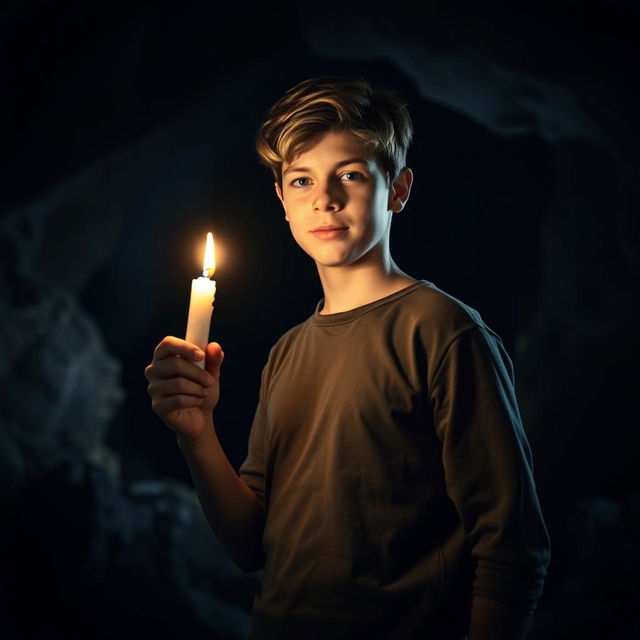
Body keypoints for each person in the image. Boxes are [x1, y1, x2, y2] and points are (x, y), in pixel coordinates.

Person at [145, 76, 550, 639]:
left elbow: (512, 549)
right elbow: (248, 545)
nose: (325, 199)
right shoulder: (287, 352)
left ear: (399, 189)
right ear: (282, 200)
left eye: (351, 175)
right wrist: (197, 434)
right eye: (303, 179)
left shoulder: (441, 332)